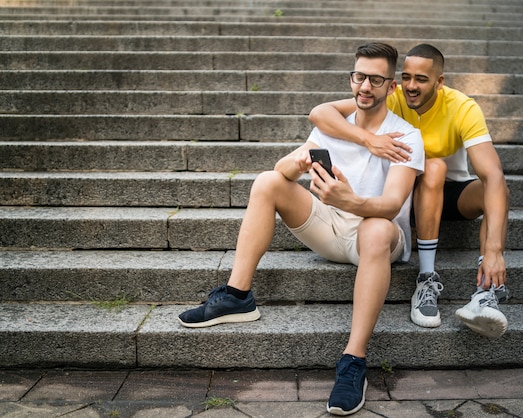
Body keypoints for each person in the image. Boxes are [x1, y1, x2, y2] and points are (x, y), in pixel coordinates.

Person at [178, 42, 425, 416]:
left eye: (376, 79)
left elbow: (391, 205)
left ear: (391, 87)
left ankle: (353, 361)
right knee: (266, 181)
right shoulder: (334, 126)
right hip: (328, 228)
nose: (365, 87)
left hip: (376, 237)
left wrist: (348, 200)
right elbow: (282, 169)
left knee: (375, 228)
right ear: (351, 79)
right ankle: (237, 296)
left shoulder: (406, 137)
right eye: (360, 77)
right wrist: (298, 165)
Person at [308, 43, 510, 339]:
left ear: (439, 82)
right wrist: (367, 139)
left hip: (449, 194)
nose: (411, 86)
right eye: (406, 77)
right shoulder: (392, 95)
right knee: (434, 168)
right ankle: (426, 277)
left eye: (421, 79)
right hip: (398, 199)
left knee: (493, 188)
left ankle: (485, 293)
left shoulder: (463, 107)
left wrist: (494, 251)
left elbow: (492, 174)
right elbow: (319, 113)